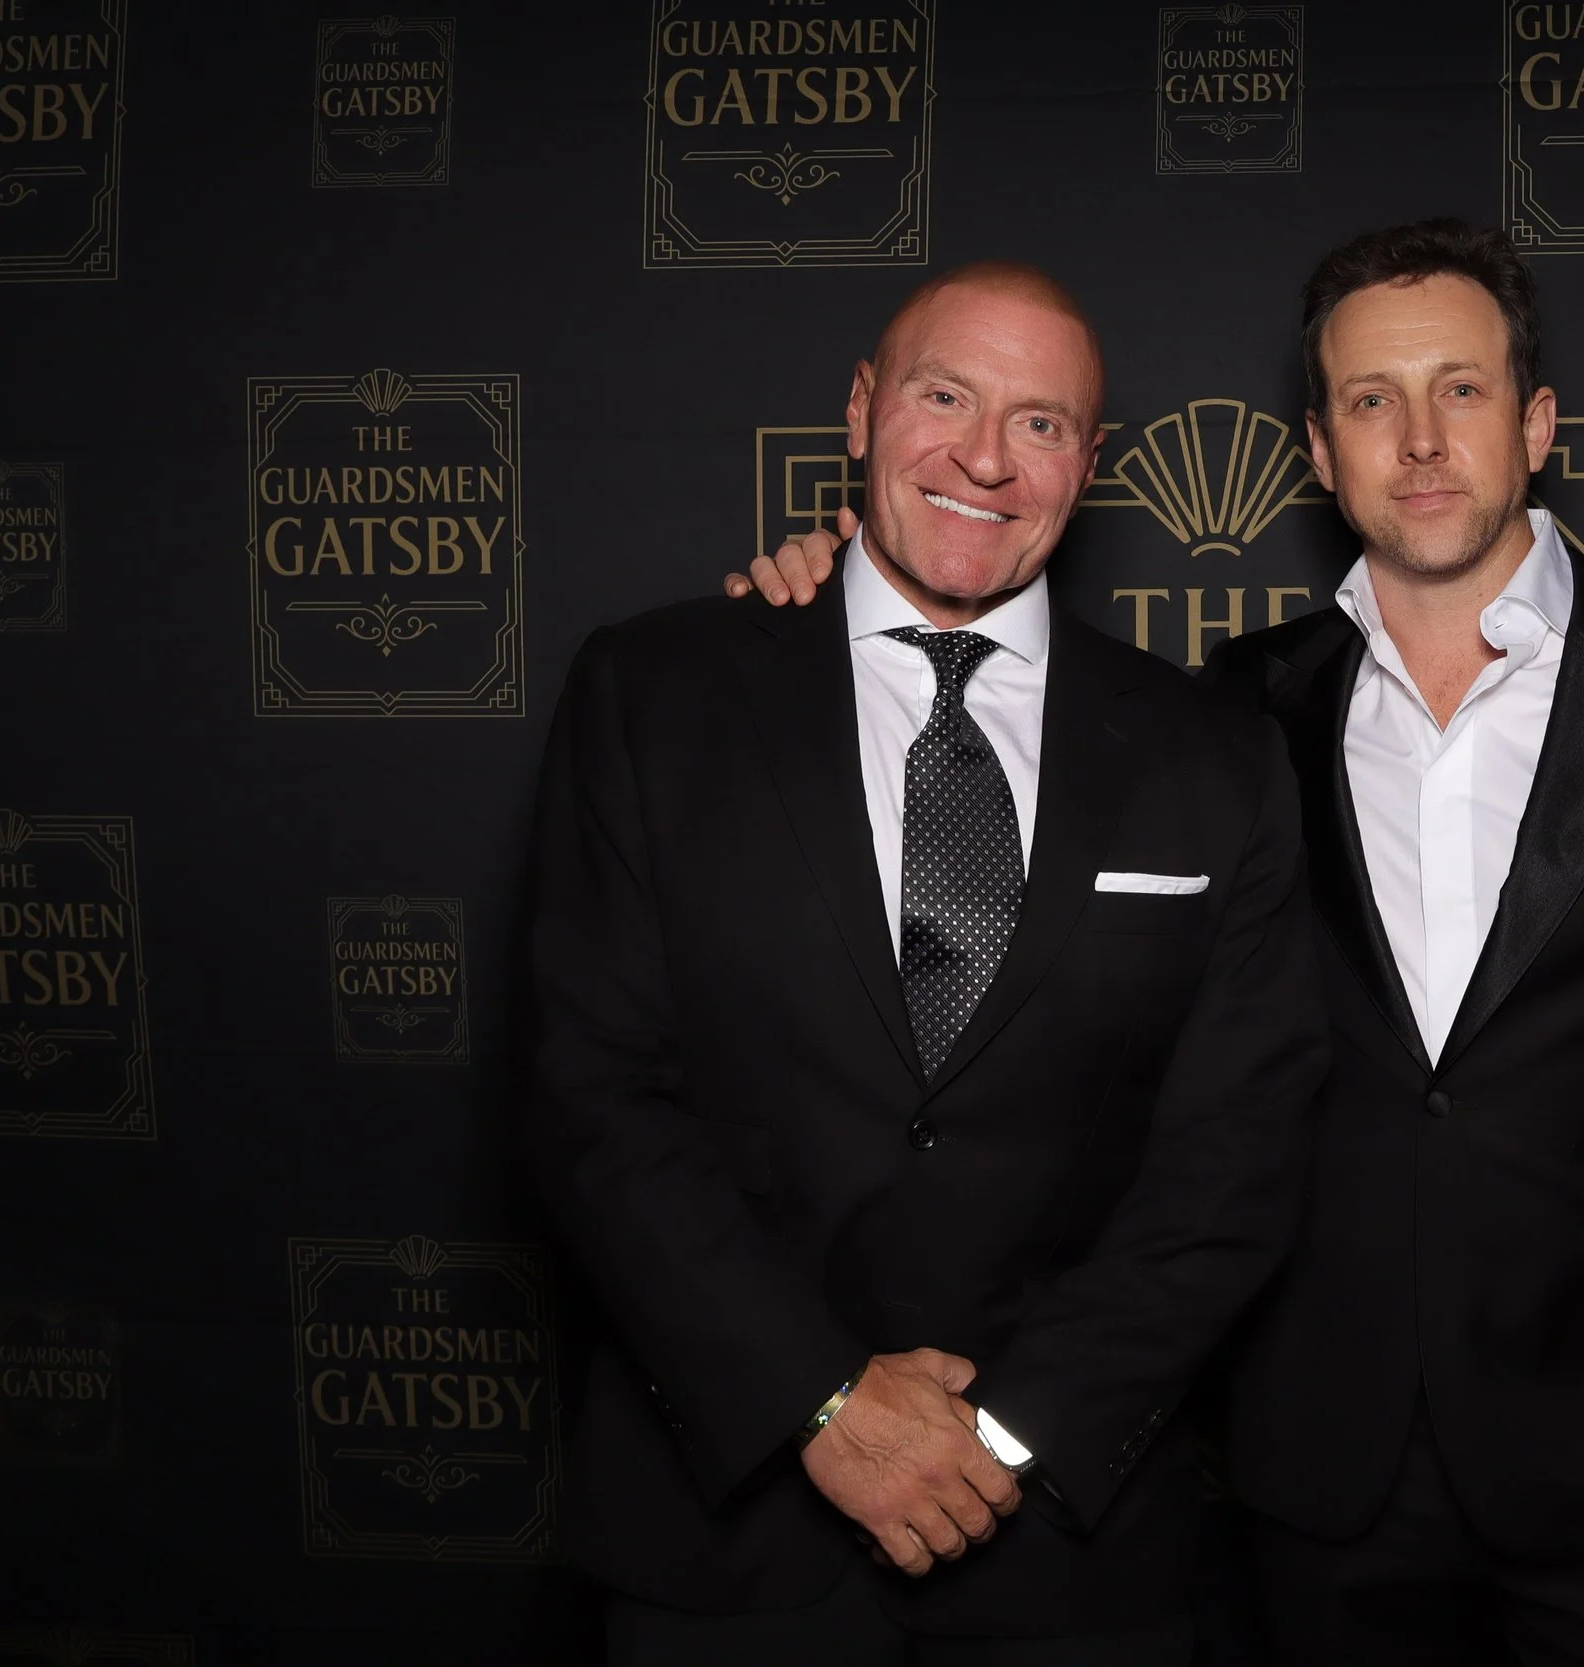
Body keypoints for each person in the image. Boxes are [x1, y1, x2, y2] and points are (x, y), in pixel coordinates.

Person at [731, 221, 1584, 1667]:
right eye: (1367, 400)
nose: (1417, 439)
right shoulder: (1230, 711)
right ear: (1320, 454)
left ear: (1536, 425)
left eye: (1460, 390)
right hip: (1312, 1483)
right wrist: (816, 610)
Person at [529, 260, 1328, 1665]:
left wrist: (1004, 1438)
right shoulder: (654, 694)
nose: (982, 455)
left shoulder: (1210, 752)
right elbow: (590, 1095)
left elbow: (1236, 1157)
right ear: (861, 410)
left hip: (1067, 1551)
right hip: (725, 1543)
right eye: (944, 395)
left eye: (1039, 422)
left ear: (1090, 463)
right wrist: (821, 1403)